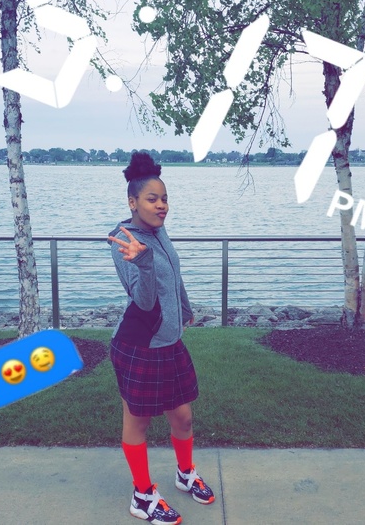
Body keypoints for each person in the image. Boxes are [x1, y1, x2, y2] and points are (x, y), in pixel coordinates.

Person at [107, 152, 215, 524]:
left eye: (164, 198)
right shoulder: (124, 240)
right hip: (140, 345)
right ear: (132, 201)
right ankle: (142, 496)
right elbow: (144, 300)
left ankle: (185, 474)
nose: (161, 205)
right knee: (137, 422)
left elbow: (174, 272)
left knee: (183, 418)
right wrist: (143, 263)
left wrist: (184, 308)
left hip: (169, 342)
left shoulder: (157, 230)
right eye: (152, 199)